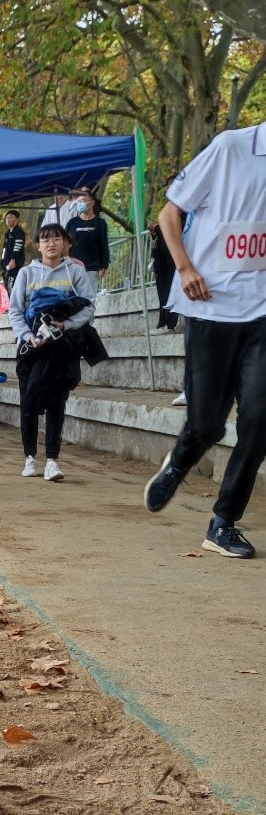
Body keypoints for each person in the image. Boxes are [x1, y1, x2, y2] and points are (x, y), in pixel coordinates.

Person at [147, 126, 266, 558]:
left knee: (260, 419)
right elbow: (169, 215)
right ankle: (179, 462)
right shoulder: (231, 147)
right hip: (209, 306)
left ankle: (223, 522)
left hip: (261, 313)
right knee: (207, 424)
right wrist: (184, 268)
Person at [9, 220, 101, 482]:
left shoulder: (76, 272)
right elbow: (15, 310)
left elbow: (89, 306)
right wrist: (28, 336)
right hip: (31, 349)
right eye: (46, 239)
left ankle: (52, 460)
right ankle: (29, 457)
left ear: (65, 243)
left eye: (56, 238)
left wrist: (66, 325)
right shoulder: (26, 273)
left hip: (62, 349)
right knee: (28, 402)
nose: (51, 243)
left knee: (56, 404)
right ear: (38, 245)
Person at [1, 211, 27, 293]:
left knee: (13, 288)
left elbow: (17, 247)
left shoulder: (19, 232)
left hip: (14, 266)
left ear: (17, 219)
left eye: (11, 217)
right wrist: (2, 261)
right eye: (7, 218)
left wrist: (13, 259)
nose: (8, 220)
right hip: (6, 265)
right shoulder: (7, 233)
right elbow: (4, 249)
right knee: (7, 288)